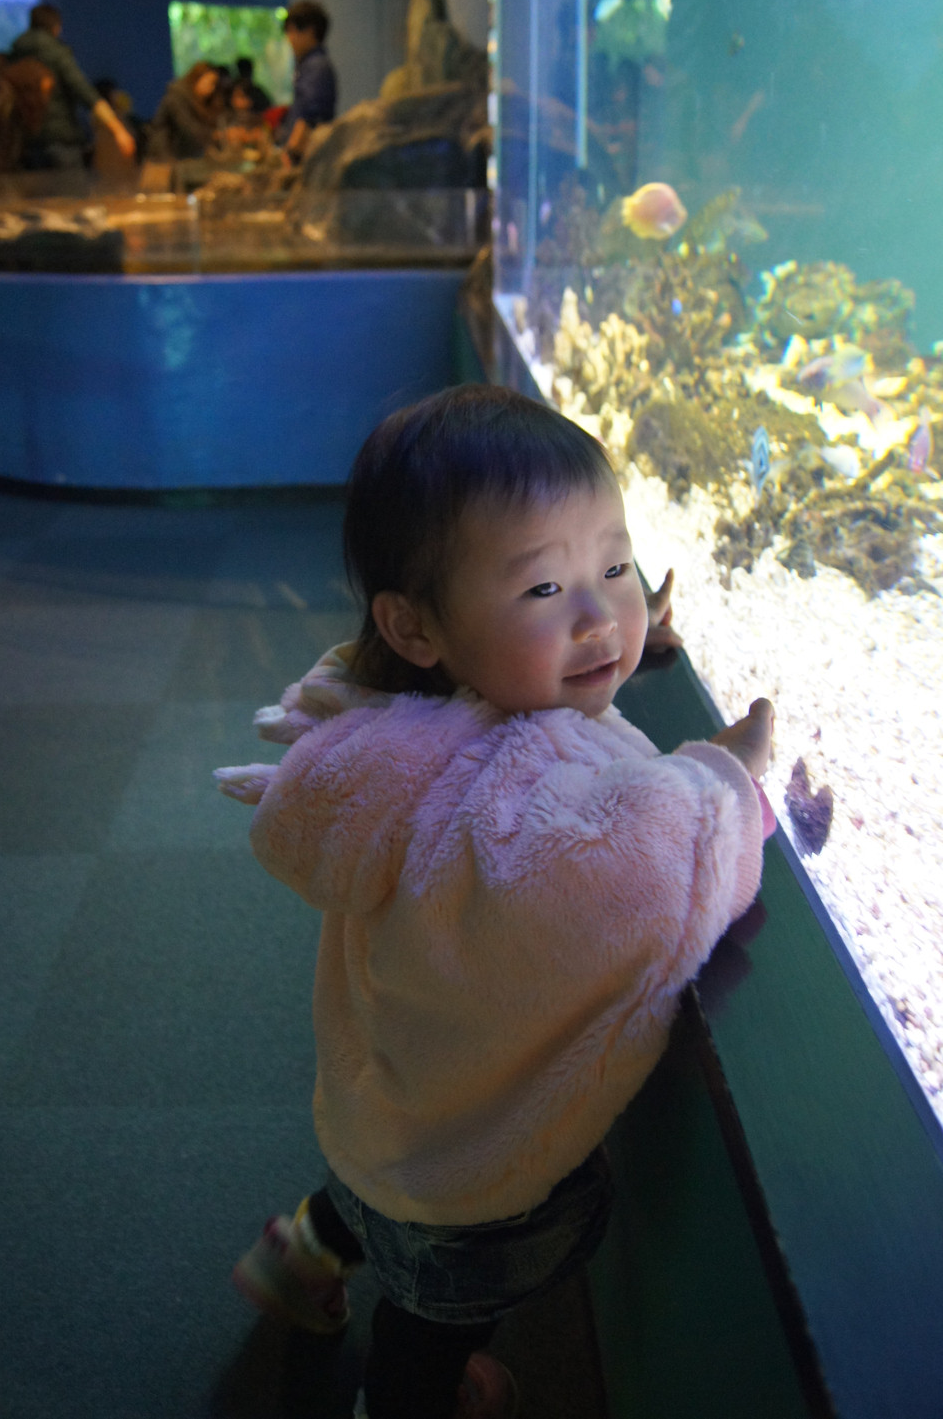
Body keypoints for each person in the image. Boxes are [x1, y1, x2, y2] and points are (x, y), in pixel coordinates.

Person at [216, 385, 776, 1419]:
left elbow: (551, 650)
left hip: (391, 1100)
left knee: (365, 1200)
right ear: (416, 625)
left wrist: (607, 633)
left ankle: (299, 1258)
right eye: (545, 587)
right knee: (435, 1319)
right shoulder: (504, 805)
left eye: (615, 568)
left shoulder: (396, 715)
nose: (599, 614)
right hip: (468, 1170)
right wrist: (728, 780)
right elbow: (635, 871)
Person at [8, 2, 135, 169]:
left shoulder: (15, 55)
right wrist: (117, 128)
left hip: (25, 142)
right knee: (69, 184)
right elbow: (83, 91)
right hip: (60, 140)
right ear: (56, 27)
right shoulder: (57, 53)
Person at [278, 0, 337, 164]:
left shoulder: (316, 67)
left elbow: (310, 118)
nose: (289, 38)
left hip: (305, 159)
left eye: (292, 31)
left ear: (310, 31)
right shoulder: (310, 65)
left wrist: (291, 154)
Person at [0, 57, 56, 176]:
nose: (44, 97)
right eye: (42, 89)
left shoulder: (19, 103)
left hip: (1, 167)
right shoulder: (3, 96)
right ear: (30, 83)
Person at [145, 61, 221, 161]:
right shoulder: (177, 98)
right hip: (166, 155)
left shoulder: (196, 100)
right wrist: (216, 135)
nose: (211, 89)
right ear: (197, 78)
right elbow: (188, 127)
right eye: (210, 83)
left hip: (183, 155)